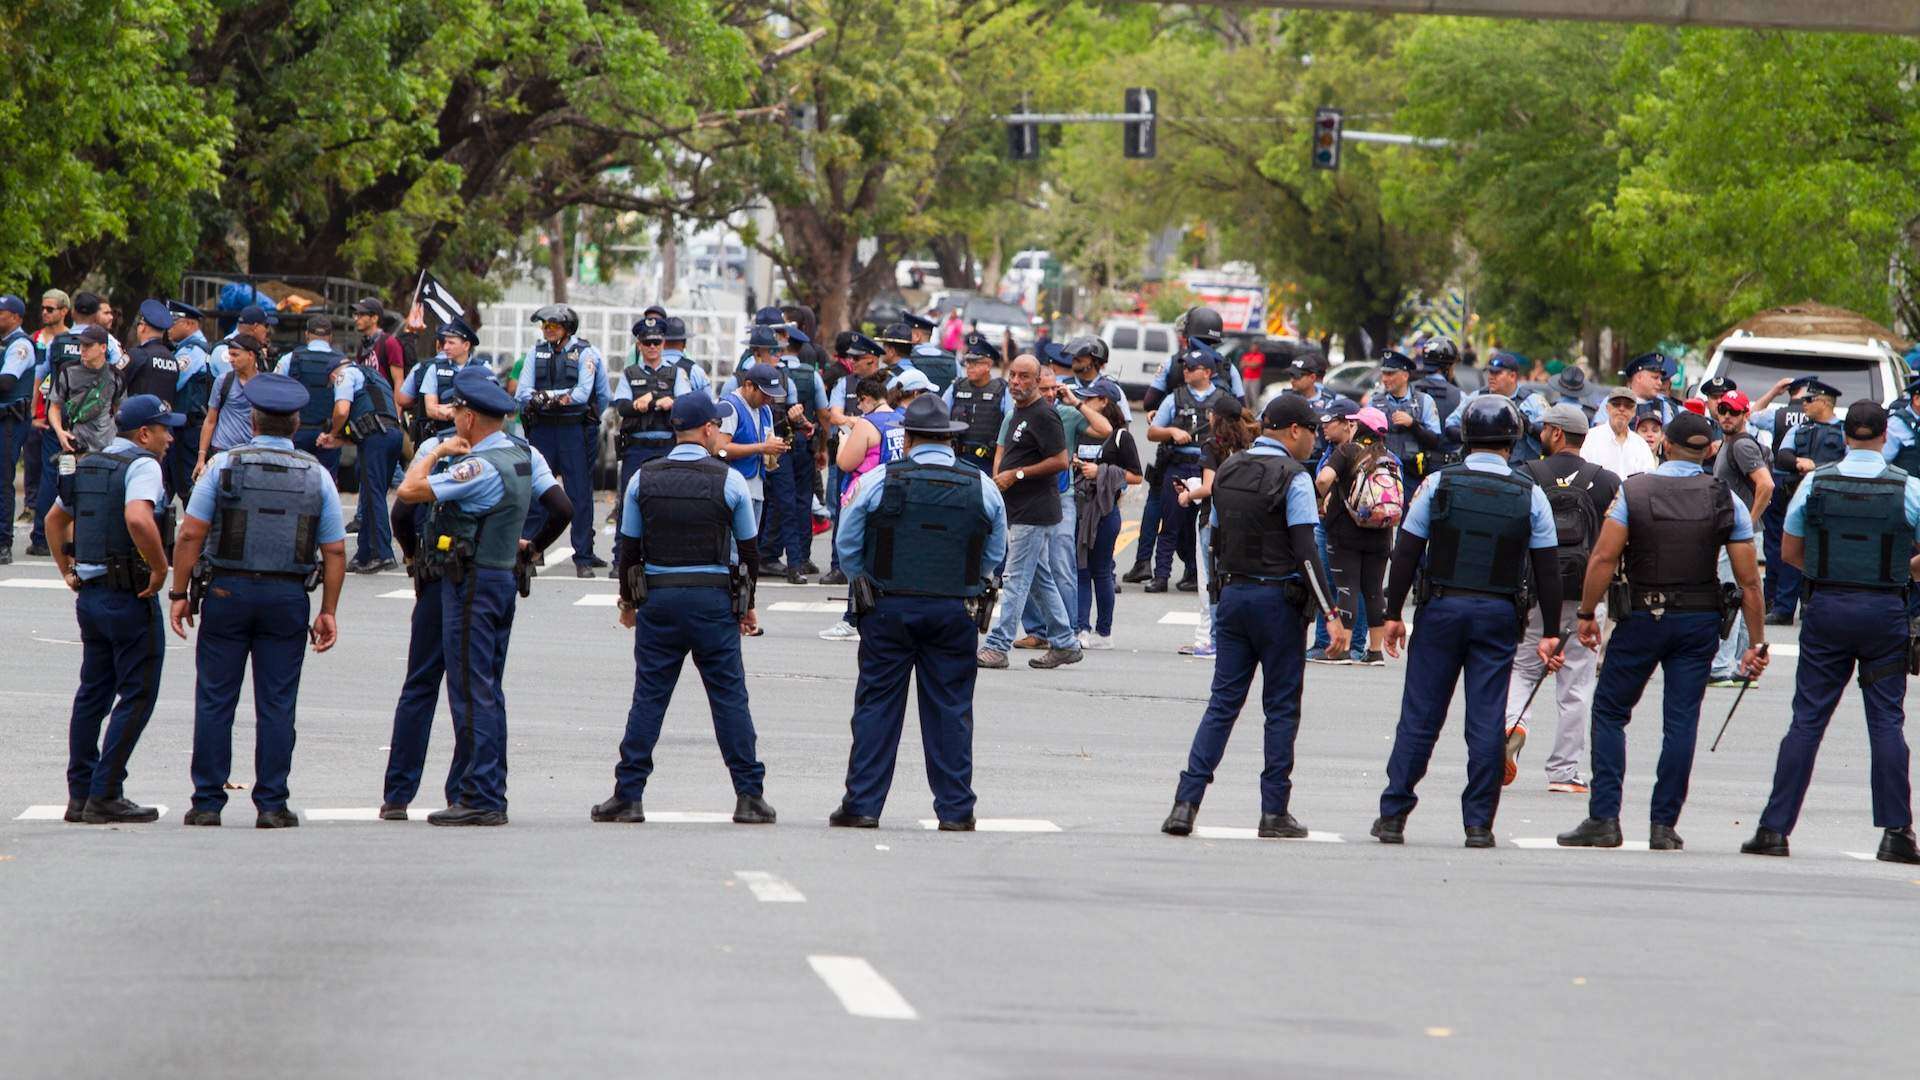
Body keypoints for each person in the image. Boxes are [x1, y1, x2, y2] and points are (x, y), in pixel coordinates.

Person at [1556, 411, 1767, 850]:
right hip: (1698, 620)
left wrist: (1587, 613)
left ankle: (1604, 818)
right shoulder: (1726, 498)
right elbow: (1749, 581)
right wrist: (1757, 641)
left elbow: (1603, 558)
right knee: (1681, 721)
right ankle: (1663, 825)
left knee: (1611, 712)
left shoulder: (1634, 490)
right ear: (1710, 450)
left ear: (1664, 445)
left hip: (1641, 616)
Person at [1372, 396, 1566, 848]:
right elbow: (1547, 568)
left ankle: (1394, 815)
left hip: (1441, 608)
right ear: (1512, 440)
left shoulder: (1438, 483)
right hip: (1498, 615)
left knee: (1420, 716)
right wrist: (1551, 631)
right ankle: (1478, 824)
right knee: (1485, 719)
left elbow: (1406, 551)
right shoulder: (1529, 493)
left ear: (1466, 437)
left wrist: (1392, 612)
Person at [381, 374, 569, 819]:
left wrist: (413, 559)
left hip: (453, 576)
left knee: (434, 686)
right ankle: (465, 789)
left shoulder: (453, 453)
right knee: (483, 685)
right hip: (499, 572)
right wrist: (530, 545)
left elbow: (404, 503)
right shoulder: (525, 452)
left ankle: (412, 795)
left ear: (467, 415)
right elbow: (562, 509)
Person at [1742, 400, 1920, 864]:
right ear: (1885, 436)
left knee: (1807, 719)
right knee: (1886, 721)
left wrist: (1826, 572)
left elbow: (1790, 551)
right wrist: (1904, 572)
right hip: (1884, 608)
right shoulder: (1909, 488)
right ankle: (1896, 832)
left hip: (1827, 607)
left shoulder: (1814, 483)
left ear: (1845, 436)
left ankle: (1774, 829)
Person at [1161, 394, 1347, 838]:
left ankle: (1185, 804)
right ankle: (1273, 812)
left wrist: (1219, 594)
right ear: (1295, 431)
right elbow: (1305, 550)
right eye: (1312, 433)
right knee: (1280, 709)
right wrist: (1331, 613)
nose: (1314, 442)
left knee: (1222, 704)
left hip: (1235, 597)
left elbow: (1216, 540)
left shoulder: (1229, 469)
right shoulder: (1295, 478)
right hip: (1278, 604)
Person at [170, 373, 347, 828]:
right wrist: (328, 609)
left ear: (252, 420)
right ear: (297, 423)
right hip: (287, 596)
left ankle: (207, 802)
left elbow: (190, 532)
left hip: (228, 590)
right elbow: (334, 551)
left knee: (214, 699)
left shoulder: (224, 465)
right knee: (277, 702)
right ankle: (271, 803)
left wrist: (179, 593)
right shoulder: (317, 474)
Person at [594, 392, 774, 825]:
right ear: (710, 429)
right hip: (713, 600)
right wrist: (746, 607)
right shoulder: (729, 480)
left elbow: (629, 552)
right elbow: (749, 553)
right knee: (730, 699)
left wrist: (628, 604)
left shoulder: (643, 478)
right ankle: (749, 796)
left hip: (659, 599)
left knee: (649, 698)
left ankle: (628, 795)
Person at [830, 396, 1008, 828]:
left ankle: (863, 806)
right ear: (951, 439)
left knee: (877, 706)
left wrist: (864, 580)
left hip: (889, 606)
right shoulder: (981, 486)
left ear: (907, 438)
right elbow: (995, 552)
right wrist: (964, 576)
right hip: (954, 609)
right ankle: (956, 809)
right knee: (950, 709)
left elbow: (847, 543)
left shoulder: (879, 480)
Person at [44, 394, 181, 823]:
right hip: (129, 596)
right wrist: (160, 569)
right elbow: (139, 519)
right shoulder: (143, 465)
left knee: (92, 694)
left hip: (92, 594)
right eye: (164, 429)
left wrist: (67, 569)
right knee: (138, 692)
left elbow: (53, 520)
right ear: (144, 434)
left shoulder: (89, 464)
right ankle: (105, 791)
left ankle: (80, 793)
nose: (170, 437)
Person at [1504, 403, 1617, 793]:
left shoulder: (1526, 475)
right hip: (1587, 593)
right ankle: (1564, 773)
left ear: (1554, 433)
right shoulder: (1606, 481)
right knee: (1577, 685)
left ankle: (1512, 725)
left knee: (1522, 668)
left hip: (1535, 591)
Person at [978, 355, 1078, 670]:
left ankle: (997, 646)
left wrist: (1017, 474)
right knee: (1038, 578)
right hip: (1019, 508)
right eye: (1013, 375)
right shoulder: (1019, 413)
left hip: (1034, 511)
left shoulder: (1044, 415)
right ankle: (1064, 642)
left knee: (1017, 578)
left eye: (1024, 377)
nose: (1016, 382)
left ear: (1037, 381)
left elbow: (1061, 460)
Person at [610, 314, 703, 576]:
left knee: (671, 501)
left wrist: (659, 399)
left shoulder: (677, 374)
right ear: (639, 345)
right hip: (637, 447)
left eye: (656, 342)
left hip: (667, 446)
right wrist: (651, 403)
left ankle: (671, 556)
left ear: (663, 343)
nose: (652, 347)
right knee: (629, 500)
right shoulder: (630, 374)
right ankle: (621, 560)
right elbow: (623, 407)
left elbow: (686, 406)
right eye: (647, 342)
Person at [515, 303, 601, 577]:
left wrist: (548, 396)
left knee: (579, 493)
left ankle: (584, 556)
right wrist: (541, 398)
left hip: (572, 429)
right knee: (537, 490)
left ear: (567, 328)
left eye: (553, 325)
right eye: (545, 326)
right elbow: (523, 391)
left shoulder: (586, 353)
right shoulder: (535, 352)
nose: (547, 330)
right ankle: (531, 551)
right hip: (542, 429)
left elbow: (585, 392)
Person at [1316, 405, 1398, 666]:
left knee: (1347, 587)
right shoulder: (1389, 457)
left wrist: (1323, 497)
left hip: (1346, 533)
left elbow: (1323, 479)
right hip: (1381, 533)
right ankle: (1374, 652)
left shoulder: (1348, 451)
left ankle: (1345, 648)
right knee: (1373, 589)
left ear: (1359, 428)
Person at [1177, 396, 1257, 659]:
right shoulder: (1247, 444)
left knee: (1212, 580)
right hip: (1243, 516)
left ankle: (1214, 639)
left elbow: (1209, 487)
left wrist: (1188, 494)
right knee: (1235, 577)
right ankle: (1236, 637)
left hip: (1213, 517)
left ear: (1216, 417)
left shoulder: (1213, 445)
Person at [318, 336, 404, 574]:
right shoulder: (373, 376)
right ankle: (364, 553)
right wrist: (338, 440)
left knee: (373, 494)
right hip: (392, 435)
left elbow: (342, 410)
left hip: (376, 439)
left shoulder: (346, 375)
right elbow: (371, 415)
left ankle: (382, 553)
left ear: (334, 374)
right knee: (369, 493)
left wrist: (332, 432)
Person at [1147, 343, 1227, 593]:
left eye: (1192, 368)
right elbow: (1152, 432)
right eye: (1185, 367)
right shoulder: (1175, 397)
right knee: (1170, 524)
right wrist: (1171, 431)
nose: (1186, 372)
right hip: (1179, 466)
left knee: (1207, 525)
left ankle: (1198, 574)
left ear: (1207, 372)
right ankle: (1161, 575)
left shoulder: (1223, 400)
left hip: (1210, 469)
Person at [1766, 379, 1847, 625]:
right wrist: (1799, 463)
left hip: (1831, 502)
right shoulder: (1800, 428)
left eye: (1809, 400)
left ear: (1824, 402)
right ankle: (1783, 609)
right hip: (1798, 499)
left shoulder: (1843, 430)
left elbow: (1848, 463)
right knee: (1791, 553)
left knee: (1825, 554)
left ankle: (1814, 606)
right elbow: (1782, 457)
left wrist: (1817, 467)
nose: (1804, 404)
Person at [1709, 390, 1775, 685]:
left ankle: (1722, 665)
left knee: (1730, 596)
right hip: (1739, 532)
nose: (1726, 416)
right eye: (1722, 409)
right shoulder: (1731, 442)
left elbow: (1766, 485)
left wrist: (1746, 522)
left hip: (1736, 532)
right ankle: (1741, 664)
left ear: (1745, 415)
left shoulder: (1741, 446)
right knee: (1746, 593)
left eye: (1733, 411)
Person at [1073, 379, 1140, 650]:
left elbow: (1136, 476)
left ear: (1104, 402)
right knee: (1079, 570)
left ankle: (1104, 632)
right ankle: (1080, 629)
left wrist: (1100, 472)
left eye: (1090, 399)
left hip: (1104, 510)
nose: (1084, 403)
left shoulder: (1121, 436)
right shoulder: (1080, 429)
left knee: (1100, 571)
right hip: (1077, 508)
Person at [765, 322, 827, 582]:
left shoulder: (765, 374)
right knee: (801, 500)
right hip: (800, 443)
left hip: (772, 442)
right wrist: (822, 445)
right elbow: (823, 414)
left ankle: (768, 553)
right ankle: (800, 557)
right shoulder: (810, 375)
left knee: (773, 501)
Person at [717, 356, 789, 530]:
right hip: (733, 487)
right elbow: (721, 449)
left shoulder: (765, 411)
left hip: (757, 487)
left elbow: (766, 445)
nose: (769, 400)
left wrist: (775, 449)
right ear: (749, 385)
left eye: (772, 396)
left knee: (749, 546)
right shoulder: (730, 406)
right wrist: (763, 447)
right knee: (734, 550)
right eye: (765, 394)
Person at [277, 317, 350, 478]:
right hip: (328, 434)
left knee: (293, 481)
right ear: (330, 337)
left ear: (306, 335)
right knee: (326, 482)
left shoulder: (289, 359)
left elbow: (276, 395)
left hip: (295, 432)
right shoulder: (343, 363)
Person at [1445, 351, 1547, 462]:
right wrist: (1472, 435)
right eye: (1490, 372)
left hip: (1520, 472)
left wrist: (1528, 426)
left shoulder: (1532, 401)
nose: (1491, 377)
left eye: (1497, 373)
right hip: (1481, 469)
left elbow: (1551, 438)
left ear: (1512, 376)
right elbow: (1450, 425)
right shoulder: (1477, 398)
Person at [1368, 348, 1442, 491]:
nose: (1384, 379)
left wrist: (1413, 425)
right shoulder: (1374, 402)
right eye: (1383, 373)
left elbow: (1435, 441)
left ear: (1405, 375)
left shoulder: (1424, 401)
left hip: (1413, 476)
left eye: (1390, 374)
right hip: (1381, 476)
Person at [396, 317, 477, 446]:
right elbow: (431, 409)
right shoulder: (434, 369)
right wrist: (463, 412)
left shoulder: (482, 369)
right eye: (445, 343)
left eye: (451, 343)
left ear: (466, 345)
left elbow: (487, 407)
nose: (446, 347)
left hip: (473, 439)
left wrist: (450, 411)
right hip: (439, 437)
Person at [0, 295, 35, 562]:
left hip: (9, 420)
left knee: (2, 481)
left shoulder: (20, 345)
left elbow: (7, 381)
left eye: (2, 313)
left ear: (16, 317)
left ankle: (3, 543)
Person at [198, 334, 268, 466]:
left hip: (252, 454)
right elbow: (210, 420)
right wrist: (201, 458)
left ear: (251, 356)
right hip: (222, 451)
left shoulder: (264, 384)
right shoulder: (223, 381)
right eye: (230, 355)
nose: (231, 360)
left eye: (235, 355)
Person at [944, 333, 1008, 472]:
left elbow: (1010, 425)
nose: (969, 367)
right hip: (957, 459)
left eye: (975, 363)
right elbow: (941, 416)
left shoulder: (1002, 390)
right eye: (968, 362)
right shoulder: (956, 387)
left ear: (989, 365)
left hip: (988, 463)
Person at [1579, 386, 1659, 479]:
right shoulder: (1590, 438)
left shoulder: (1641, 445)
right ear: (1607, 408)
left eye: (1628, 406)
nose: (1622, 409)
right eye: (1616, 404)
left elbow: (1648, 479)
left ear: (1634, 411)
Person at [351, 297, 407, 391]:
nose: (356, 319)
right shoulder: (363, 345)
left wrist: (396, 405)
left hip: (385, 402)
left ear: (374, 318)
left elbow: (398, 381)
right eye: (355, 314)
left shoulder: (389, 342)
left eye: (361, 315)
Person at [1621, 352, 1678, 425]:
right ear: (1639, 378)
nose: (1660, 383)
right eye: (1655, 377)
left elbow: (1668, 434)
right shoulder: (1615, 402)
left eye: (1660, 379)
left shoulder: (1664, 405)